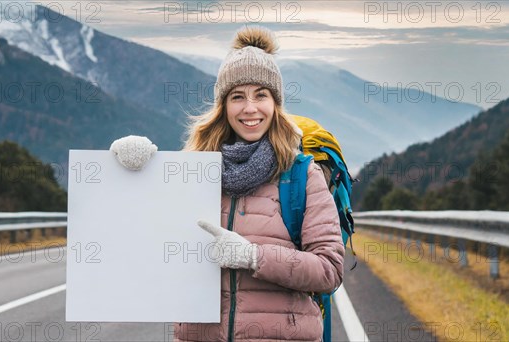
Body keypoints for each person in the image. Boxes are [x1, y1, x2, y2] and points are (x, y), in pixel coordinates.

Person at [110, 26, 344, 342]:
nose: (250, 108)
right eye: (238, 97)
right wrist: (133, 171)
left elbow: (329, 270)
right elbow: (141, 238)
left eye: (261, 95)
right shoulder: (193, 172)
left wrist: (253, 257)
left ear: (275, 103)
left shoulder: (301, 174)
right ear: (224, 106)